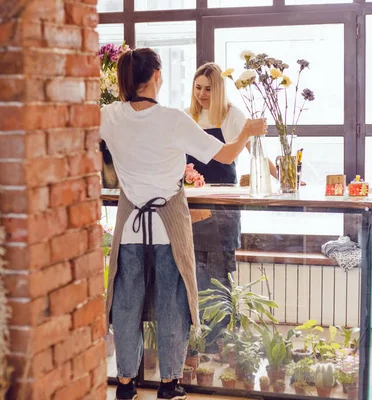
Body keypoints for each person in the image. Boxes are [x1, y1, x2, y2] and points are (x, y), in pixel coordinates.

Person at [101, 49, 267, 400]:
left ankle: (126, 384)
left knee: (127, 305)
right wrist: (248, 132)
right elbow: (224, 155)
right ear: (157, 76)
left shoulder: (109, 116)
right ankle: (169, 384)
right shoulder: (173, 119)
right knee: (171, 303)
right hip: (170, 228)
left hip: (130, 226)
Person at [185, 62, 278, 351]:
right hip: (192, 209)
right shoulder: (188, 116)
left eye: (208, 89)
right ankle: (199, 341)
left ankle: (218, 343)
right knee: (196, 275)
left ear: (219, 90)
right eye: (198, 87)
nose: (202, 94)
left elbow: (256, 153)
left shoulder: (233, 117)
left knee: (218, 275)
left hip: (223, 209)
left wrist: (282, 174)